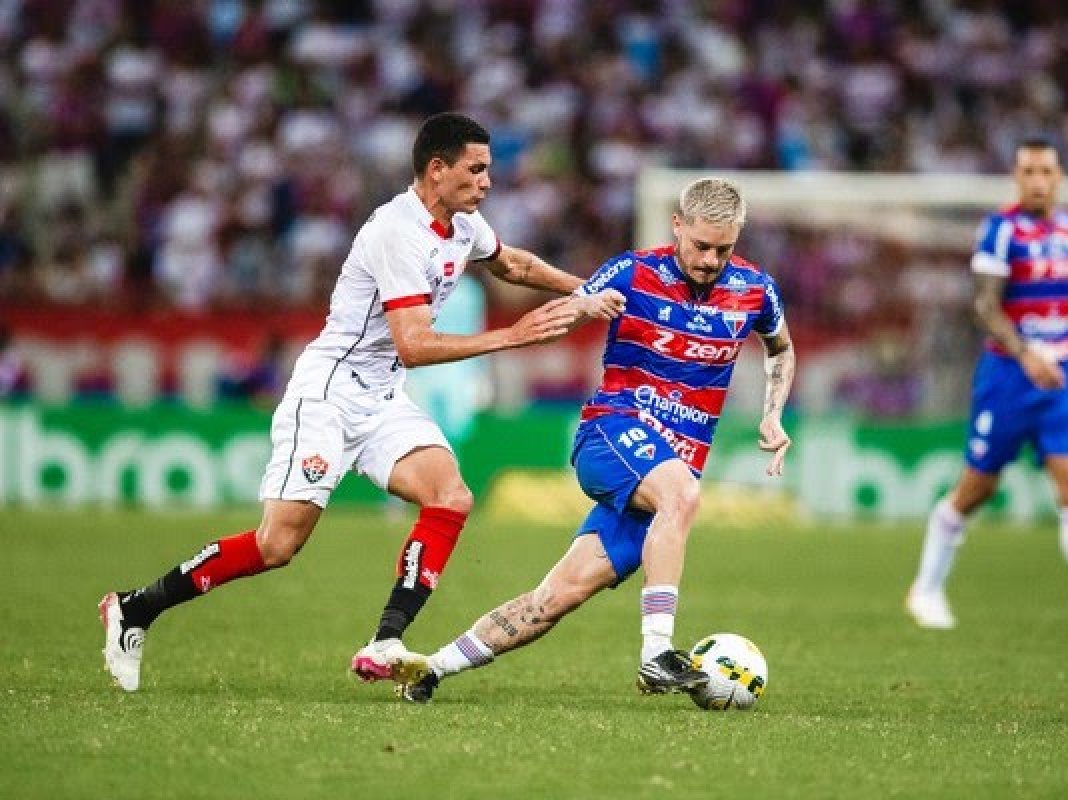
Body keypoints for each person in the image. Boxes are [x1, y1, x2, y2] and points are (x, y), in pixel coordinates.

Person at [99, 112, 625, 692]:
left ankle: (387, 640)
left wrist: (591, 290)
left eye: (488, 170)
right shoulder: (395, 233)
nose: (487, 182)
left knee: (449, 496)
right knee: (277, 544)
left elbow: (513, 264)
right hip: (327, 393)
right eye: (476, 170)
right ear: (437, 168)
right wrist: (514, 336)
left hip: (381, 395)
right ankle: (135, 608)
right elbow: (416, 343)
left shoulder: (464, 223)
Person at [389, 177, 795, 703]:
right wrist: (580, 307)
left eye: (724, 248)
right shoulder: (632, 271)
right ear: (677, 226)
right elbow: (563, 311)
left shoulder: (756, 289)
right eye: (700, 245)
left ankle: (433, 668)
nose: (710, 259)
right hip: (610, 435)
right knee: (684, 496)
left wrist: (772, 414)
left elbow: (780, 349)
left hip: (664, 472)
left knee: (556, 596)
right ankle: (656, 654)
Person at [905, 137, 1068, 632]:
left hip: (1059, 378)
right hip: (1008, 377)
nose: (1038, 181)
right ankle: (926, 589)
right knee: (978, 486)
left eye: (1046, 171)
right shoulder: (1000, 230)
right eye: (1028, 172)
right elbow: (984, 306)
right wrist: (1026, 354)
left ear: (1059, 176)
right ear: (1017, 178)